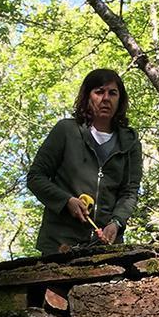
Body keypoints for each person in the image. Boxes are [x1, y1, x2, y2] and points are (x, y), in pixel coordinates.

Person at [27, 68, 143, 254]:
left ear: (120, 100)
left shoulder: (130, 142)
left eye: (113, 93)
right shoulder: (66, 131)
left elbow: (129, 192)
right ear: (87, 97)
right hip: (60, 244)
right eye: (99, 92)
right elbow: (35, 177)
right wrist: (66, 201)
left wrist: (116, 223)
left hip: (105, 247)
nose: (106, 98)